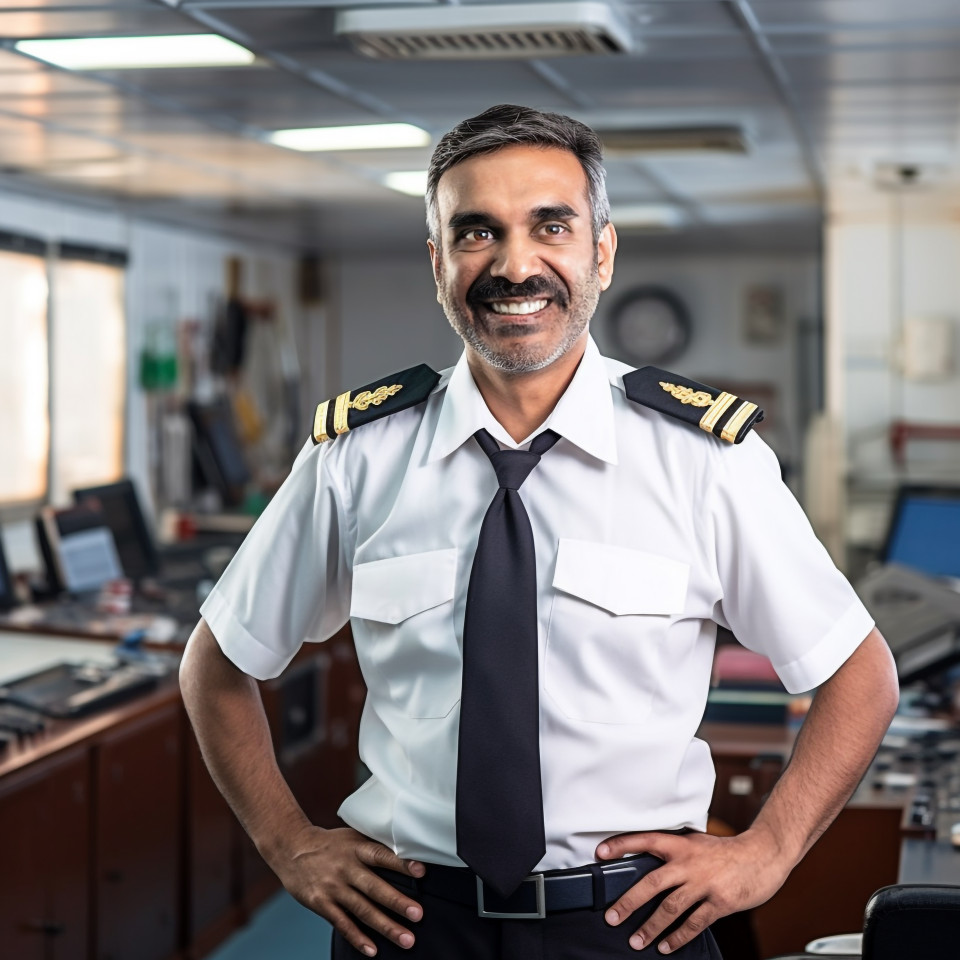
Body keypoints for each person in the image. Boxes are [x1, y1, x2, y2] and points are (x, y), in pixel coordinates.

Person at [180, 104, 899, 959]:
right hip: (410, 924)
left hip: (632, 925)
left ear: (601, 249)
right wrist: (287, 843)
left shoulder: (705, 459)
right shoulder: (356, 458)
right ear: (438, 260)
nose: (515, 265)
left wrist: (769, 852)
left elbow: (860, 672)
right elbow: (216, 665)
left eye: (550, 226)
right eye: (477, 232)